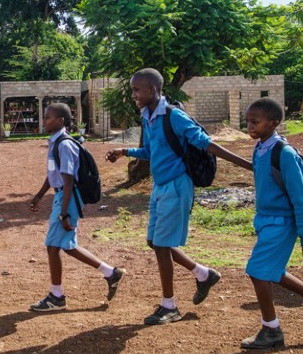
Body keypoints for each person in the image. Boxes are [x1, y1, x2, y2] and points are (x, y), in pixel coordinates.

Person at [105, 68, 253, 325]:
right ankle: (203, 274)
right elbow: (151, 151)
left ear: (152, 89)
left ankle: (169, 306)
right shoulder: (148, 117)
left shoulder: (174, 116)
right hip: (160, 187)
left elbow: (206, 143)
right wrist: (124, 151)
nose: (133, 95)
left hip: (177, 185)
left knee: (161, 245)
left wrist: (248, 165)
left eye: (137, 90)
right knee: (154, 242)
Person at [240, 97, 303, 349]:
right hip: (267, 222)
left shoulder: (283, 153)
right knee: (273, 272)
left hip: (282, 222)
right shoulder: (261, 147)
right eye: (248, 122)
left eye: (255, 122)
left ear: (274, 123)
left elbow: (301, 201)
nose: (250, 127)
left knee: (256, 271)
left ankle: (271, 329)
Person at [29, 102, 125, 312]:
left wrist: (64, 213)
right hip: (63, 195)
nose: (44, 120)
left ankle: (56, 296)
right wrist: (39, 195)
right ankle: (111, 273)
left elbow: (69, 180)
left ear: (60, 121)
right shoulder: (55, 143)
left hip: (68, 197)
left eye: (48, 117)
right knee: (67, 246)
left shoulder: (65, 145)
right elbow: (53, 174)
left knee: (53, 247)